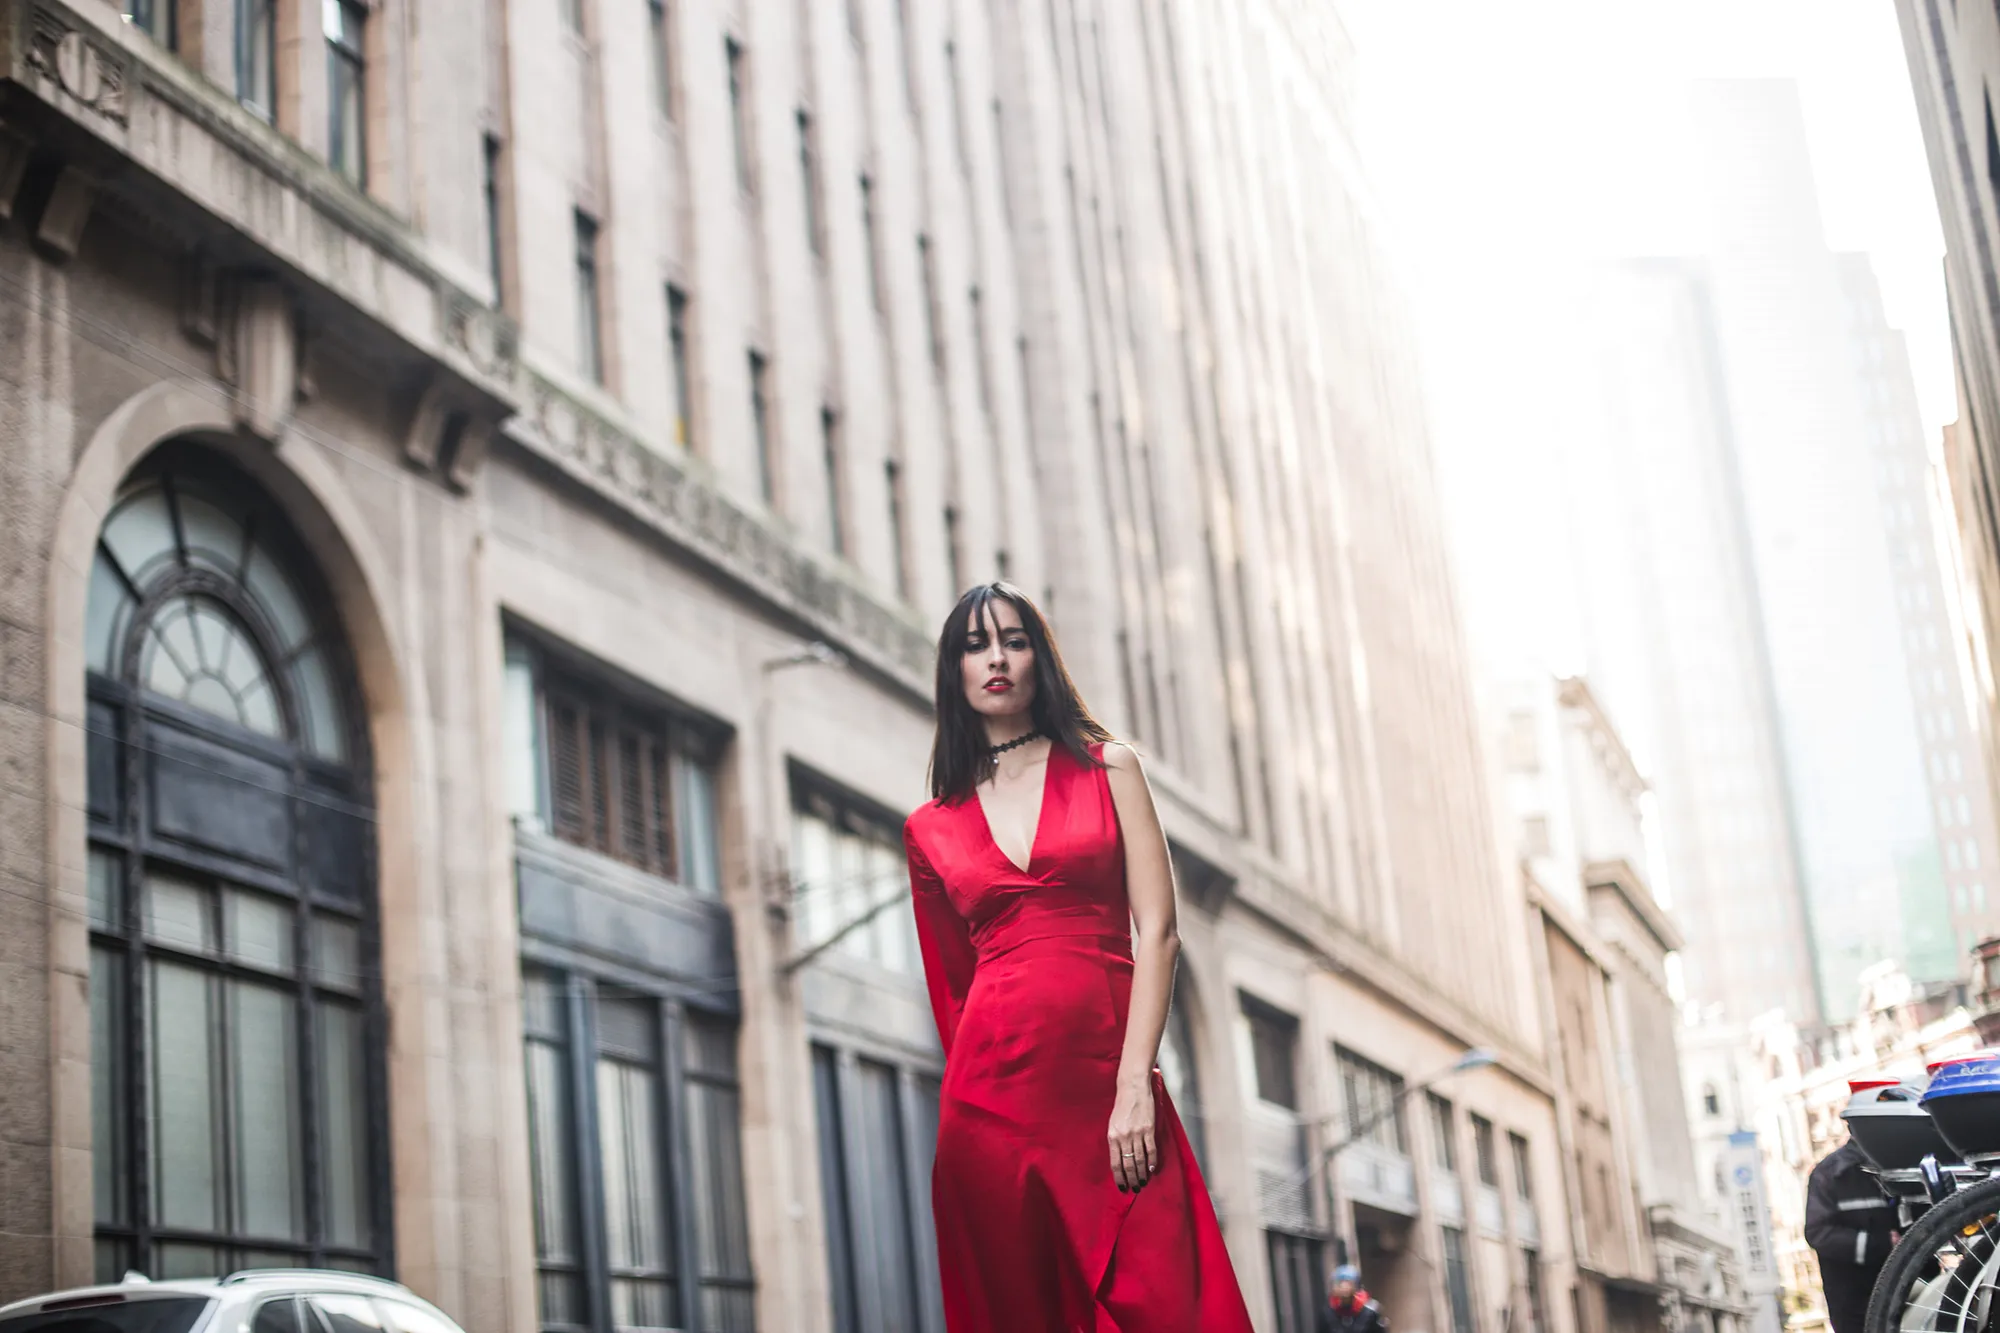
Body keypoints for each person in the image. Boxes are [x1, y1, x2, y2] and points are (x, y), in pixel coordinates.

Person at [905, 583, 1255, 1333]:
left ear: (1041, 657)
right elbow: (952, 994)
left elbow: (1158, 930)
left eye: (1013, 639)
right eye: (974, 645)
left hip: (1108, 1088)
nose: (995, 658)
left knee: (1177, 1306)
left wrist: (1135, 1083)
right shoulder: (930, 826)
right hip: (989, 1116)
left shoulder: (1109, 767)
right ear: (953, 672)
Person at [1803, 1137, 1898, 1333]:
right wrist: (1881, 1244)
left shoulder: (1900, 1162)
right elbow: (1818, 1232)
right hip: (1855, 1302)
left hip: (1910, 1290)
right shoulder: (1831, 1174)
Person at [1319, 1265, 1388, 1333]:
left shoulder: (1370, 1311)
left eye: (1348, 1283)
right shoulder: (1328, 1313)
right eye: (1340, 1284)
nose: (1344, 1288)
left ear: (1356, 1286)